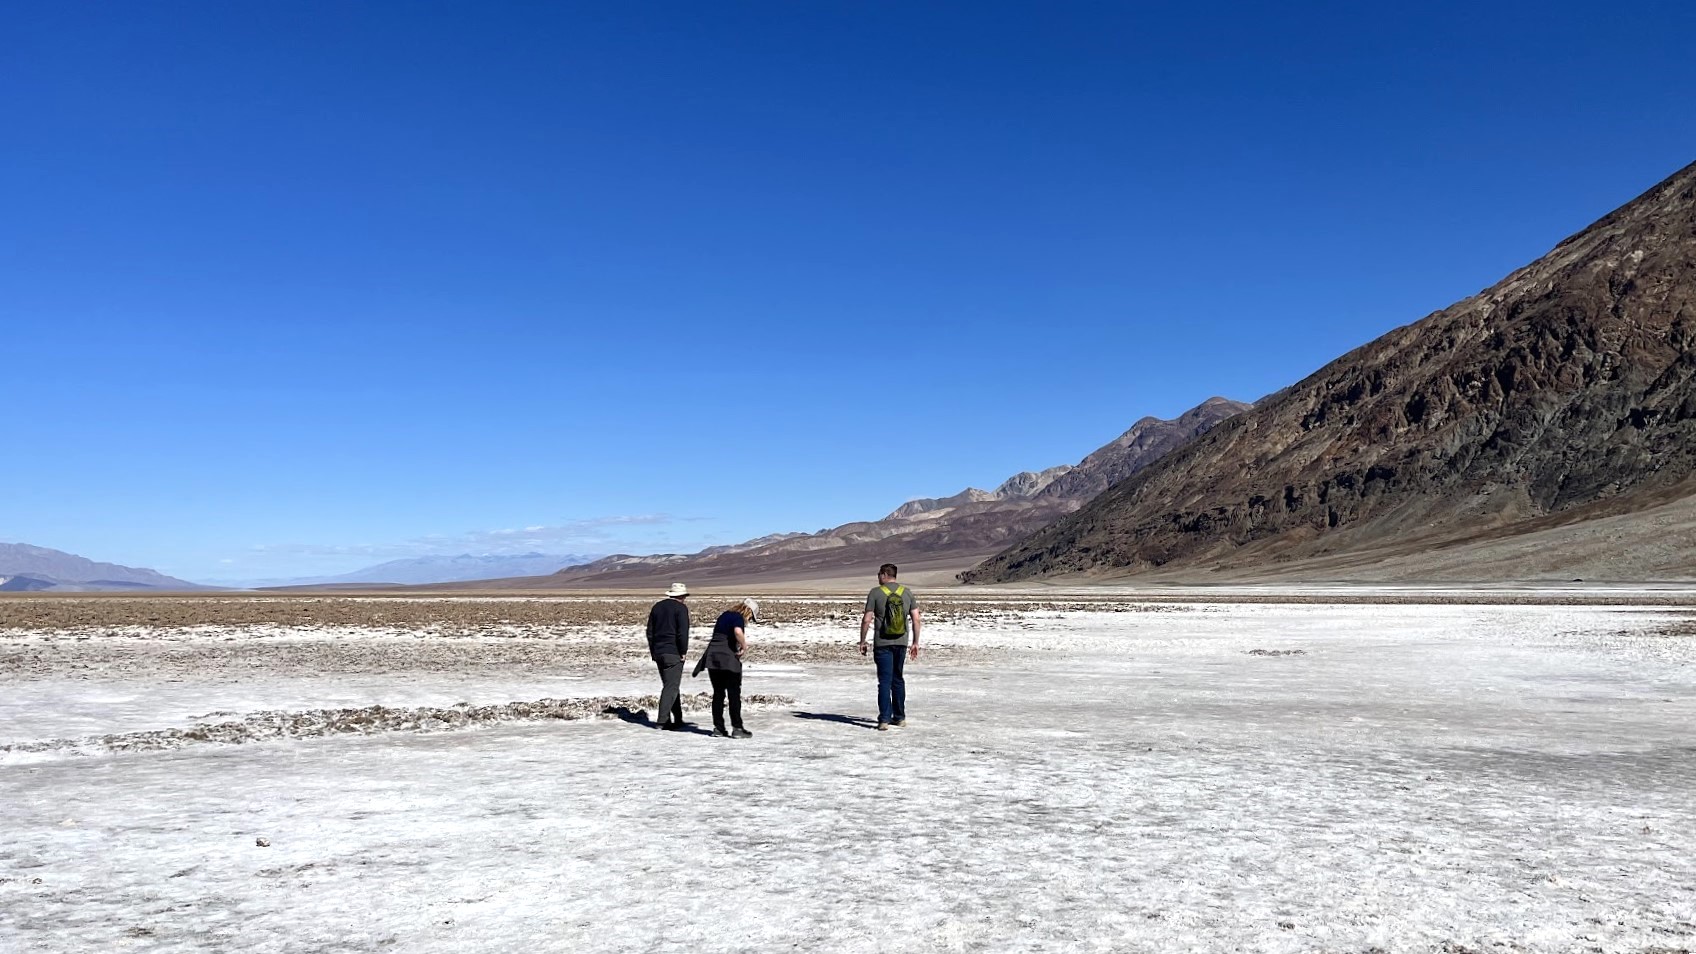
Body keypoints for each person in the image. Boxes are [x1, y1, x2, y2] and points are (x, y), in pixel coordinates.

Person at [859, 563, 920, 730]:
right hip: (901, 642)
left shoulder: (875, 593)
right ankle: (899, 717)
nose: (878, 577)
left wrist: (862, 640)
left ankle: (884, 719)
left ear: (885, 574)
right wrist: (915, 642)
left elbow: (866, 619)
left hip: (882, 643)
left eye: (879, 574)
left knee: (884, 681)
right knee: (898, 679)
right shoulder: (906, 592)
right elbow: (916, 618)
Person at [695, 598, 758, 738]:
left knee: (718, 694)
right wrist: (744, 646)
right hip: (727, 659)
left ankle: (718, 728)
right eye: (751, 617)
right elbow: (737, 632)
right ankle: (737, 728)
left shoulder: (724, 615)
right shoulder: (738, 618)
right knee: (733, 694)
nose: (749, 620)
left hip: (713, 658)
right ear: (748, 611)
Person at [645, 582, 691, 730]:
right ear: (682, 596)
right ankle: (662, 721)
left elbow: (650, 632)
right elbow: (682, 633)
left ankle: (678, 719)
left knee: (671, 685)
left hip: (659, 652)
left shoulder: (657, 607)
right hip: (673, 652)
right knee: (671, 686)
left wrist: (653, 651)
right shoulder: (681, 609)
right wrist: (683, 651)